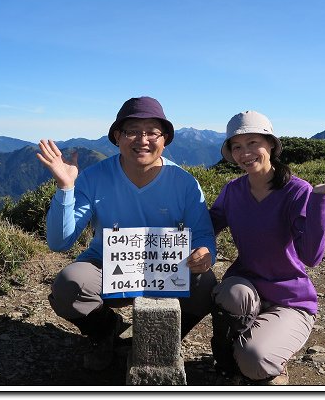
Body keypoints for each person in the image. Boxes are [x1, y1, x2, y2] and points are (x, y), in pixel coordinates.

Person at [36, 96, 217, 370]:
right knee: (69, 284)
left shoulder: (185, 183)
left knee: (205, 285)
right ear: (117, 137)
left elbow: (203, 235)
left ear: (164, 139)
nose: (142, 139)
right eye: (131, 131)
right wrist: (65, 188)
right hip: (108, 266)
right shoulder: (94, 177)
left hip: (166, 269)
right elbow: (60, 242)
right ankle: (107, 332)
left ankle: (163, 338)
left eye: (152, 132)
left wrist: (205, 254)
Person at [209, 110, 325, 385]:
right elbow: (208, 226)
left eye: (253, 143)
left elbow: (311, 257)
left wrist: (319, 201)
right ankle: (228, 358)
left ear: (271, 146)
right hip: (247, 286)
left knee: (255, 361)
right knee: (229, 294)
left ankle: (270, 358)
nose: (246, 153)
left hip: (289, 298)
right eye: (238, 147)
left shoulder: (297, 191)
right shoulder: (232, 191)